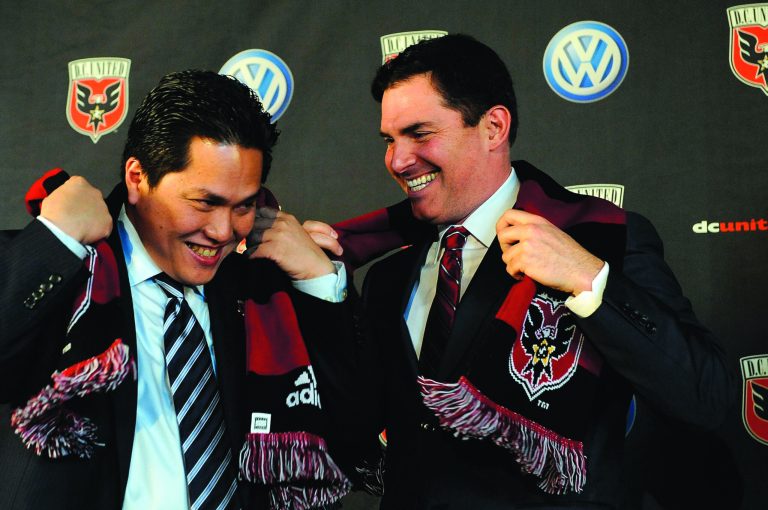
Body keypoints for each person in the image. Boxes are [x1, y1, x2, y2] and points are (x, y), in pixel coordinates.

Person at [314, 34, 733, 509]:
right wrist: (316, 284)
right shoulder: (388, 277)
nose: (398, 160)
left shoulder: (600, 240)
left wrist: (590, 281)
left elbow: (706, 396)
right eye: (390, 140)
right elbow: (360, 427)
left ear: (493, 127)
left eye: (420, 134)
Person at [0, 70, 352, 510]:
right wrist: (54, 241)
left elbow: (355, 434)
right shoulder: (69, 273)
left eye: (244, 205)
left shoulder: (263, 290)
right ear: (137, 178)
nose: (223, 231)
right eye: (205, 202)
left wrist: (319, 283)